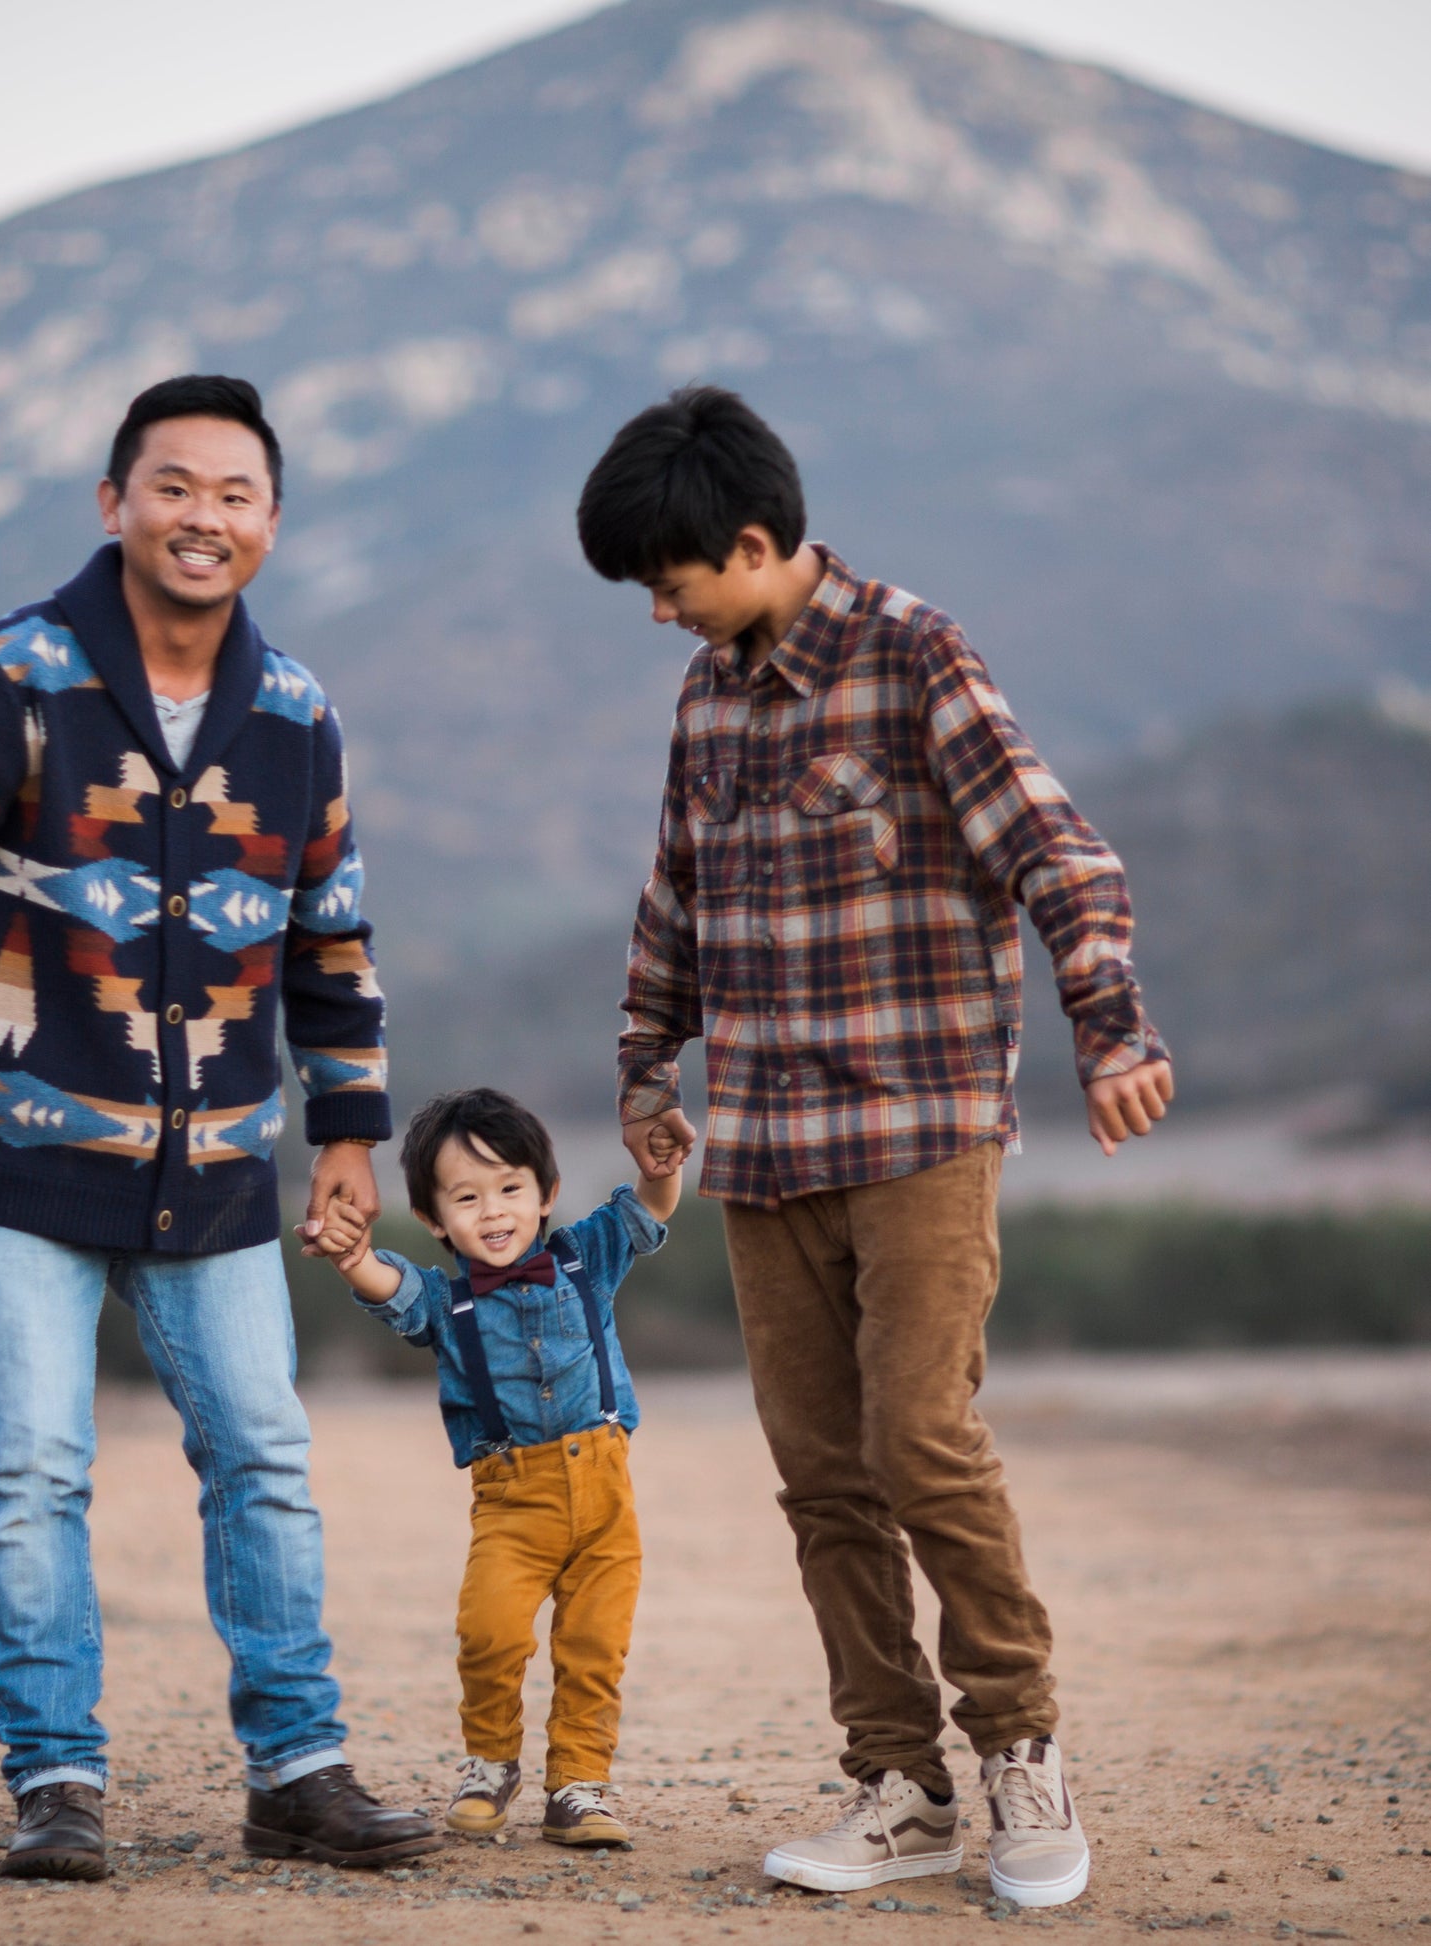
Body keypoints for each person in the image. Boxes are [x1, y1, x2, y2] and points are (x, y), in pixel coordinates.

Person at [0, 374, 437, 1878]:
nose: (204, 517)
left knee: (260, 1449)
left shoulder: (292, 713)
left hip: (216, 1166)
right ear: (113, 502)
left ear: (272, 521)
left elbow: (330, 934)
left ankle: (296, 1771)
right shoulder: (5, 678)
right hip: (16, 1153)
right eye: (173, 486)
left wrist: (347, 1129)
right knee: (34, 1466)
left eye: (235, 494)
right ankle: (56, 1781)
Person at [576, 386, 1174, 1910]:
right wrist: (646, 1059)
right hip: (764, 1153)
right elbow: (674, 900)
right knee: (823, 1475)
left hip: (920, 1131)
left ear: (757, 542)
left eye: (671, 580)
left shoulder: (913, 652)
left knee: (920, 1443)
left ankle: (1018, 1752)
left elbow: (1057, 852)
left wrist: (1110, 1026)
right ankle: (895, 1784)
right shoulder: (707, 698)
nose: (660, 613)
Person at [308, 1088, 680, 1848]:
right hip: (512, 1503)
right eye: (467, 1198)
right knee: (488, 1632)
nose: (494, 1211)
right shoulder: (450, 1305)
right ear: (435, 1219)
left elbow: (649, 1210)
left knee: (593, 1648)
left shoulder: (585, 1258)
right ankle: (490, 1761)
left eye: (511, 1188)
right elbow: (392, 1287)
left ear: (545, 1194)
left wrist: (662, 1166)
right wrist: (352, 1259)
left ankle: (578, 1785)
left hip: (607, 1495)